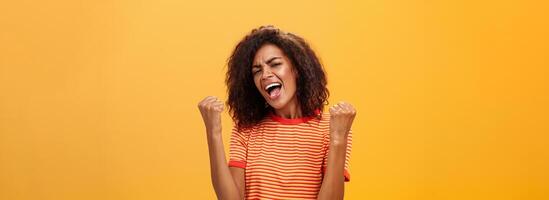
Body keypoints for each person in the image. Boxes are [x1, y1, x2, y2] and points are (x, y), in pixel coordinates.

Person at [198, 25, 356, 200]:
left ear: (297, 69)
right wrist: (213, 131)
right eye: (257, 71)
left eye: (275, 64)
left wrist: (338, 138)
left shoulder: (332, 128)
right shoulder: (246, 129)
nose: (265, 75)